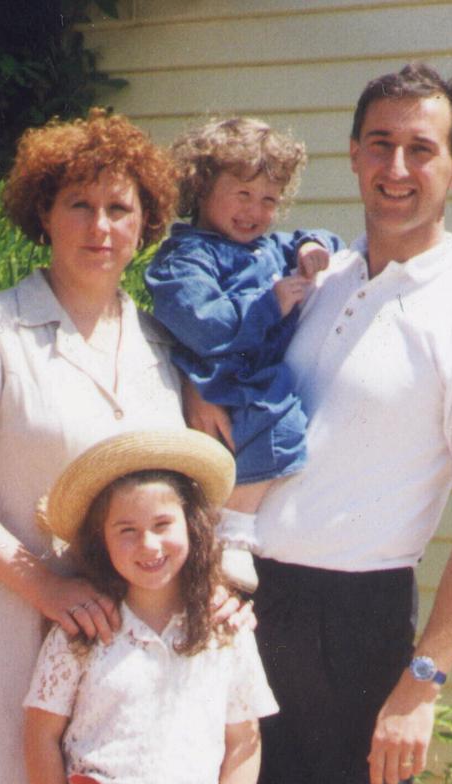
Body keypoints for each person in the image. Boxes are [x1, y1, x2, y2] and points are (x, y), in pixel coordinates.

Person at [188, 64, 452, 784]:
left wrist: (422, 684)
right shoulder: (319, 278)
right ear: (353, 153)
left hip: (352, 625)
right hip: (238, 593)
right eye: (381, 144)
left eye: (423, 148)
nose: (398, 168)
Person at [0, 110, 246, 784]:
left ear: (146, 222)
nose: (100, 227)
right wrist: (43, 587)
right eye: (79, 205)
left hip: (123, 635)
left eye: (120, 208)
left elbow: (195, 493)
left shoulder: (162, 345)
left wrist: (222, 577)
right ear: (43, 214)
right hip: (3, 612)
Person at [24, 428, 279, 784]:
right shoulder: (83, 629)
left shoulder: (224, 630)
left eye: (163, 525)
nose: (148, 545)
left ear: (192, 524)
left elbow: (244, 741)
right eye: (127, 530)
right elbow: (40, 735)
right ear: (101, 539)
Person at [145, 118, 344, 590]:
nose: (255, 211)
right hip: (218, 375)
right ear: (202, 187)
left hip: (251, 378)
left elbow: (323, 241)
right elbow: (201, 322)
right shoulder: (187, 255)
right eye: (243, 195)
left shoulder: (266, 249)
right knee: (276, 424)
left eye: (269, 200)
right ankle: (231, 533)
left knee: (278, 423)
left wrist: (312, 246)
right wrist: (269, 304)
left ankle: (225, 527)